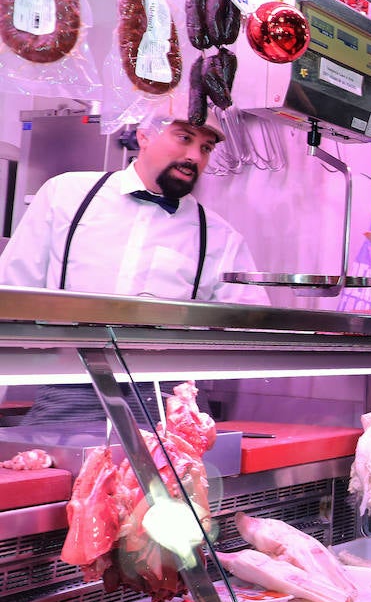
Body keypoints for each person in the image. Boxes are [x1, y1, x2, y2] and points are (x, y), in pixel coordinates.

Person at [0, 110, 268, 424]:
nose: (194, 156)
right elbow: (12, 294)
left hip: (166, 400)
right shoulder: (65, 195)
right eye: (184, 138)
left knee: (170, 474)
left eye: (206, 148)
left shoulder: (220, 236)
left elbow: (255, 325)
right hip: (68, 385)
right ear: (144, 136)